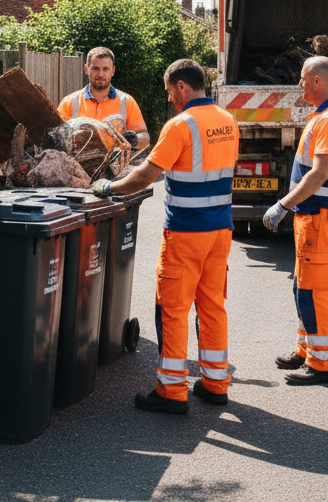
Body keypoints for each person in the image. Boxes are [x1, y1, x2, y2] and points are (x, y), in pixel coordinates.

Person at [91, 59, 237, 413]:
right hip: (220, 231)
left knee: (172, 309)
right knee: (212, 306)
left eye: (170, 90)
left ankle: (171, 391)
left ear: (183, 87)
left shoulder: (181, 125)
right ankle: (216, 384)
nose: (170, 97)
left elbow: (145, 176)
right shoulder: (228, 120)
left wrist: (109, 186)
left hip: (187, 233)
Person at [261, 56, 328, 386]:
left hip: (319, 217)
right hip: (312, 216)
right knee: (303, 287)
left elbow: (319, 173)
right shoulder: (325, 116)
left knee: (314, 291)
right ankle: (306, 349)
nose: (299, 84)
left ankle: (322, 364)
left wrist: (283, 204)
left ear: (318, 81)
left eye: (303, 78)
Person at [58, 46, 150, 149]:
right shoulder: (69, 102)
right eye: (95, 68)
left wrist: (133, 140)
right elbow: (55, 137)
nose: (100, 74)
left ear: (113, 71)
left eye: (105, 69)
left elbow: (145, 137)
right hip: (76, 164)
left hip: (115, 163)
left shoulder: (127, 101)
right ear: (86, 70)